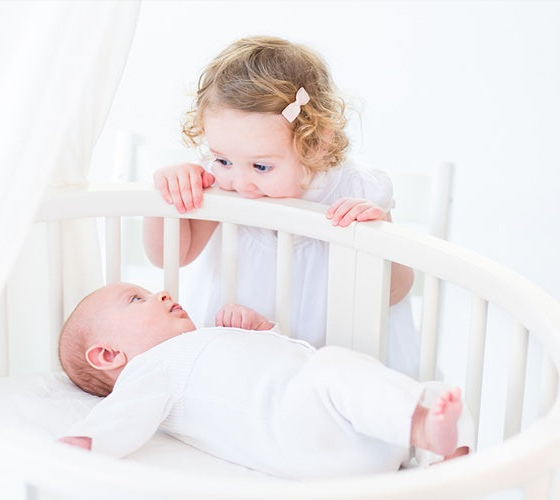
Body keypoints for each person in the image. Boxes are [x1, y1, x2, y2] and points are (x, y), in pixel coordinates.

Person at [142, 35, 420, 378]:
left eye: (261, 167)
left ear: (316, 143)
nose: (241, 183)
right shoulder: (217, 184)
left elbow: (397, 290)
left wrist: (374, 236)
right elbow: (169, 255)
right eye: (223, 159)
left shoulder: (357, 190)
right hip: (242, 358)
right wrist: (166, 197)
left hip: (336, 360)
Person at [58, 282, 472, 480]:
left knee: (434, 390)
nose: (161, 294)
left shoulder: (199, 342)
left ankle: (439, 466)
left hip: (360, 430)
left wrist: (260, 329)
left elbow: (278, 358)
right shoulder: (150, 369)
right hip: (309, 437)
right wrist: (85, 443)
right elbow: (124, 414)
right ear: (109, 355)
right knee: (332, 367)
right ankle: (421, 429)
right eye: (137, 300)